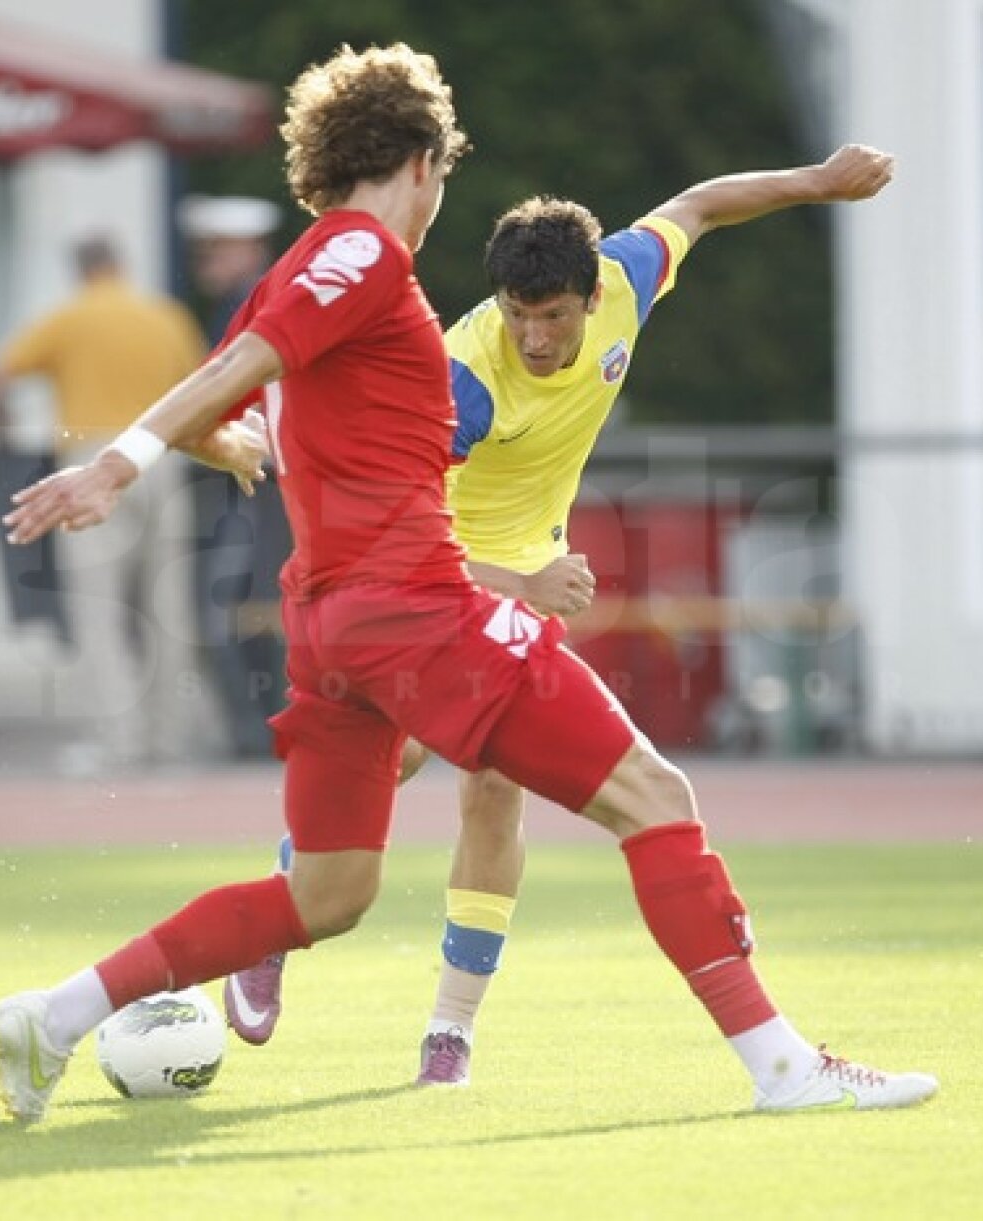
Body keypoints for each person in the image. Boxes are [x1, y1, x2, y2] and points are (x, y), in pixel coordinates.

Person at [0, 42, 937, 1125]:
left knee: (327, 895)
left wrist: (232, 446)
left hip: (329, 623)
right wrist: (122, 462)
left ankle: (52, 1016)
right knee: (655, 799)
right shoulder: (367, 258)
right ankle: (783, 1068)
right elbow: (230, 375)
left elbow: (230, 379)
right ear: (427, 161)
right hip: (419, 607)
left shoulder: (303, 262)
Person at [222, 144, 904, 1084]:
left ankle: (448, 1034)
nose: (534, 339)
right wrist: (520, 584)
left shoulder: (626, 273)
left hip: (520, 574)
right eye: (516, 316)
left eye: (549, 317)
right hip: (427, 577)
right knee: (389, 759)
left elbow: (700, 202)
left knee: (496, 784)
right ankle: (271, 926)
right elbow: (385, 538)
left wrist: (818, 183)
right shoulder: (456, 382)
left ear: (591, 296)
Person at [0, 235, 206, 770]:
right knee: (167, 607)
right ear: (122, 265)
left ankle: (117, 741)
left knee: (99, 610)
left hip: (89, 461)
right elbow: (204, 384)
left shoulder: (69, 318)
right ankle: (170, 740)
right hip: (162, 459)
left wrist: (4, 431)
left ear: (80, 271)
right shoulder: (164, 316)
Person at [177, 196, 293, 758]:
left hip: (261, 481)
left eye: (217, 251)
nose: (207, 262)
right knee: (250, 606)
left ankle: (262, 730)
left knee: (246, 607)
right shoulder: (242, 305)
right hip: (253, 480)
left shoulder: (246, 310)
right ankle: (264, 727)